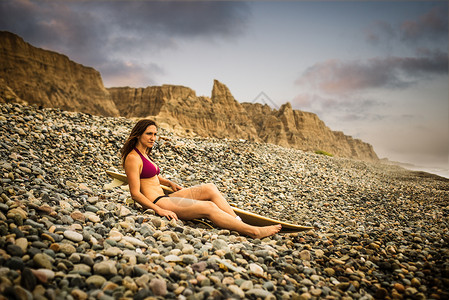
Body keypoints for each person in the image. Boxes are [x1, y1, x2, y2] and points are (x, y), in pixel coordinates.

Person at [120, 119, 281, 239]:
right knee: (209, 207)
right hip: (158, 202)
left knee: (209, 188)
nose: (153, 138)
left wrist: (168, 182)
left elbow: (151, 175)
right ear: (138, 134)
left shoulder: (145, 154)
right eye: (149, 134)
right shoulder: (133, 158)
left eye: (155, 134)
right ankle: (253, 231)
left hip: (165, 197)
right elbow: (135, 193)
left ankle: (238, 222)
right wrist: (159, 210)